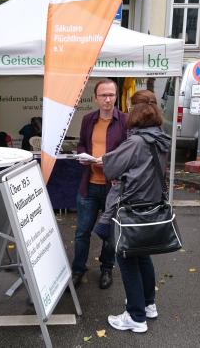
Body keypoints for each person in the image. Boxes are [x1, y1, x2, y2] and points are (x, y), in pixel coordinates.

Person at [95, 90, 170, 333]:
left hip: (130, 209)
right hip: (150, 206)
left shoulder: (136, 142)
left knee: (126, 258)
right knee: (143, 256)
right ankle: (148, 305)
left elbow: (112, 168)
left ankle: (136, 317)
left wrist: (103, 160)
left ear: (135, 112)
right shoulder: (161, 139)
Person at [71, 78, 127, 290]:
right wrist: (82, 155)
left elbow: (128, 152)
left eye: (111, 95)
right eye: (103, 95)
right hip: (90, 184)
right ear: (95, 98)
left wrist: (110, 161)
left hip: (113, 187)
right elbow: (82, 144)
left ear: (116, 96)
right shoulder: (88, 120)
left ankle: (106, 269)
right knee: (82, 231)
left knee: (109, 232)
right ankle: (78, 270)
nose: (107, 99)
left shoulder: (124, 121)